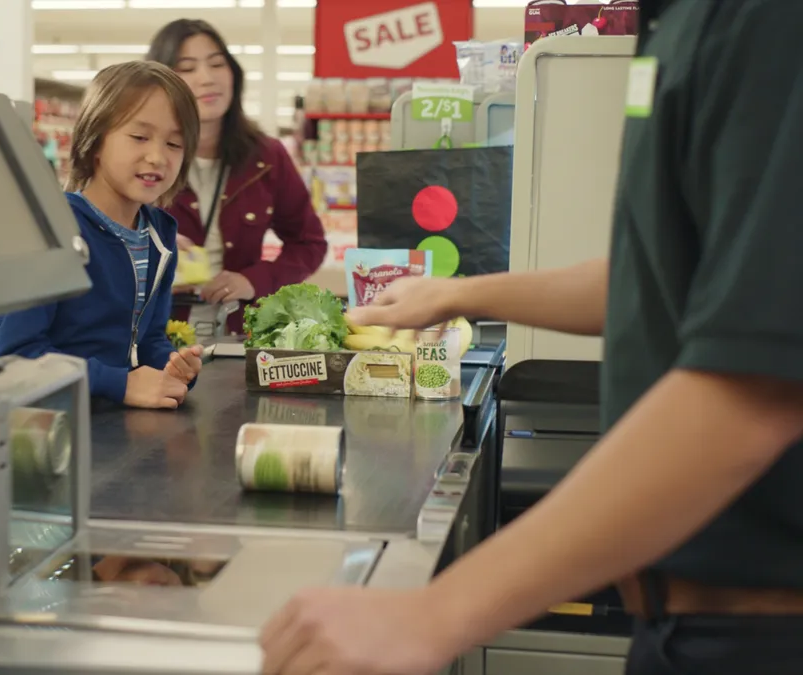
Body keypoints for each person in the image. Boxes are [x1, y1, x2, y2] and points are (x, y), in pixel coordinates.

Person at [259, 1, 803, 673]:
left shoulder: (765, 22)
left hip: (759, 634)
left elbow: (753, 389)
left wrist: (433, 612)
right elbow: (653, 280)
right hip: (679, 619)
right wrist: (455, 292)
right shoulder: (678, 24)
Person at [0, 61, 205, 410]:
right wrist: (119, 383)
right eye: (139, 137)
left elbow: (149, 339)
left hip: (118, 437)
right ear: (95, 140)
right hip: (49, 434)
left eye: (174, 144)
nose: (157, 156)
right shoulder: (48, 228)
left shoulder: (159, 237)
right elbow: (15, 358)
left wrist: (172, 368)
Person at [146, 19, 328, 335]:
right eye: (187, 68)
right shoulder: (144, 154)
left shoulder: (266, 157)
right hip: (150, 334)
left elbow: (309, 243)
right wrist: (146, 249)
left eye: (217, 63)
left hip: (235, 332)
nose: (207, 78)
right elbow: (94, 233)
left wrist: (252, 281)